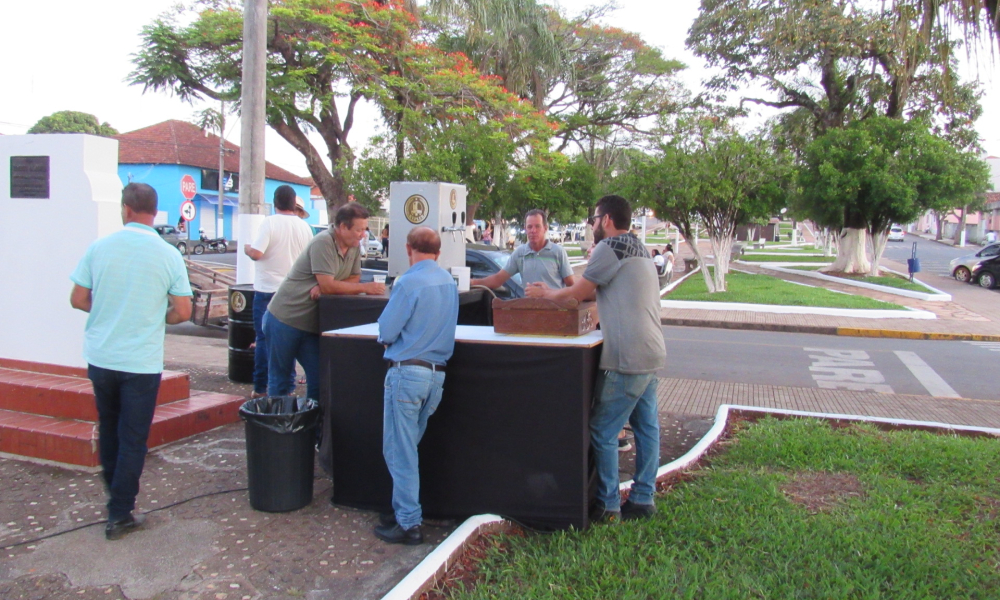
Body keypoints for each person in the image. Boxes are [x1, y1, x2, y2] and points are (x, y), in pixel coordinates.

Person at [526, 195, 666, 523]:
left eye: (593, 218)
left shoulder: (610, 247)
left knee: (603, 430)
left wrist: (545, 294)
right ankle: (644, 499)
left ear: (605, 220)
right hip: (653, 350)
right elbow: (593, 291)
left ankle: (609, 506)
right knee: (647, 427)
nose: (590, 224)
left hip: (627, 356)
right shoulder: (640, 247)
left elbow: (577, 292)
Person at [69, 183, 193, 540]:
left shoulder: (99, 247)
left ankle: (115, 499)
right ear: (154, 213)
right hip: (140, 361)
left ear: (125, 209)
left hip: (102, 357)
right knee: (133, 437)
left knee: (109, 427)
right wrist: (155, 316)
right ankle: (120, 513)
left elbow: (78, 298)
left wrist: (108, 309)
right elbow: (182, 310)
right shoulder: (167, 254)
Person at [373, 227, 458, 545]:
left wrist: (385, 338)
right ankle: (402, 509)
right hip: (437, 376)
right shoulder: (448, 282)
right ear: (438, 252)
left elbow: (387, 328)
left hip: (407, 374)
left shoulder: (407, 282)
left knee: (400, 451)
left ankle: (408, 522)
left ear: (409, 249)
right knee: (408, 448)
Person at [264, 203, 385, 401]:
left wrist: (329, 285)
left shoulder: (354, 247)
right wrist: (365, 287)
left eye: (365, 229)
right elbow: (333, 286)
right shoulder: (323, 242)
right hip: (285, 319)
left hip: (311, 324)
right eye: (358, 229)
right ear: (342, 227)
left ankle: (314, 427)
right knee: (281, 380)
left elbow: (352, 278)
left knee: (320, 377)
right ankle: (278, 427)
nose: (363, 234)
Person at [243, 185, 314, 399]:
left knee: (264, 339)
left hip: (267, 290)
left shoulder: (269, 223)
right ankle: (288, 387)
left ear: (275, 203)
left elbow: (256, 253)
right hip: (293, 293)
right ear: (294, 204)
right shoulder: (305, 228)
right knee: (288, 340)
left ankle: (261, 387)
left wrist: (246, 248)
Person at [471, 209, 575, 292]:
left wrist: (550, 293)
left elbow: (571, 285)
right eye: (529, 227)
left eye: (537, 226)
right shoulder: (520, 253)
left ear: (545, 228)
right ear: (525, 228)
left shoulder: (558, 252)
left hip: (556, 312)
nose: (533, 230)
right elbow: (498, 279)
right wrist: (472, 282)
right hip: (529, 312)